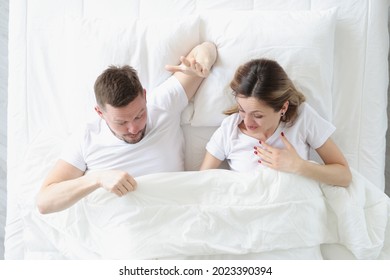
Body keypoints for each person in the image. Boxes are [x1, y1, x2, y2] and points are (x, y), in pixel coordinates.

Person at [37, 42, 218, 214]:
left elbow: (207, 48)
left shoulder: (162, 104)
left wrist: (201, 65)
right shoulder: (87, 138)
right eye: (121, 122)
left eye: (139, 115)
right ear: (100, 113)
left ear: (145, 97)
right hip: (122, 228)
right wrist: (97, 178)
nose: (133, 128)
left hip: (176, 216)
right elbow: (45, 202)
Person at [200, 58, 352, 187]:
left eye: (258, 115)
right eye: (241, 110)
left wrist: (299, 166)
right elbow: (200, 182)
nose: (247, 121)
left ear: (283, 108)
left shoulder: (302, 117)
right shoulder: (229, 130)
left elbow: (344, 176)